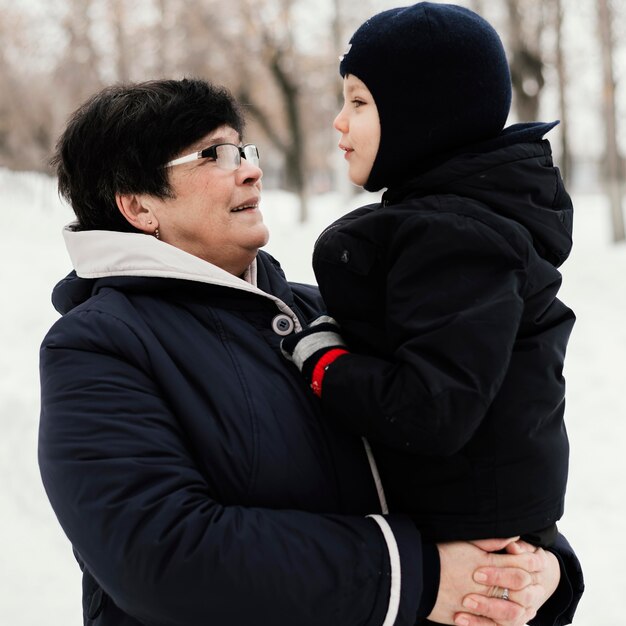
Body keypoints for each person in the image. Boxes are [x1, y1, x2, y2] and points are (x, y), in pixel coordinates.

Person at [37, 78, 580, 626]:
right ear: (138, 205)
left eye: (243, 149)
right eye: (214, 156)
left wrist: (539, 571)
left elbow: (486, 454)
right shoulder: (98, 346)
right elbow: (161, 554)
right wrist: (420, 578)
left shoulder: (322, 310)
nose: (251, 169)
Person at [282, 0, 579, 570]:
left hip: (470, 545)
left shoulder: (457, 235)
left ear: (423, 114)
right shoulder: (459, 219)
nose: (339, 123)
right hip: (462, 529)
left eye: (359, 102)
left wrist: (324, 362)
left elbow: (431, 408)